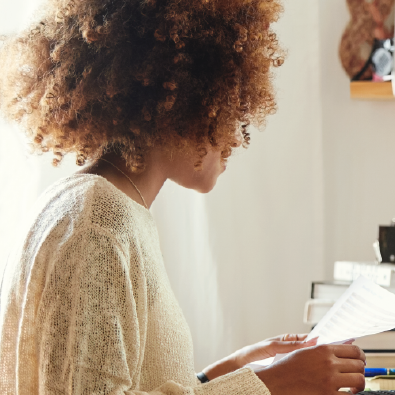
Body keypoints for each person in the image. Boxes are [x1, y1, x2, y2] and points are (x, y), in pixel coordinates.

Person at [0, 0, 367, 394]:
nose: (235, 134)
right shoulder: (99, 222)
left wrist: (232, 368)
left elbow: (131, 381)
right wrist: (269, 384)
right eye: (229, 105)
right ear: (184, 99)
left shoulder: (105, 206)